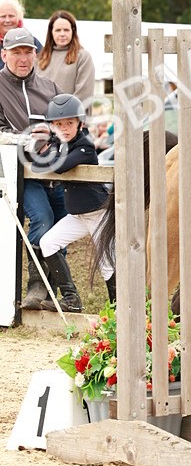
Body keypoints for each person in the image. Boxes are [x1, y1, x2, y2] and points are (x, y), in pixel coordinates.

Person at [0, 27, 81, 309]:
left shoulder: (51, 88)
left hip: (57, 175)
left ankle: (60, 297)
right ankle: (37, 286)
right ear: (4, 54)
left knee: (62, 227)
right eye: (16, 53)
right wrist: (27, 140)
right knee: (43, 220)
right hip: (23, 176)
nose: (22, 58)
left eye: (28, 52)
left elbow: (69, 124)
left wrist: (58, 138)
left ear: (36, 54)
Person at [31, 95, 114, 309]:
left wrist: (48, 155)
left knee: (107, 264)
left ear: (80, 123)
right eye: (59, 124)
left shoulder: (85, 145)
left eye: (70, 123)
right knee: (48, 242)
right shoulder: (58, 143)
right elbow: (36, 165)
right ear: (52, 126)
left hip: (97, 212)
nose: (65, 128)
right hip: (77, 215)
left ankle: (119, 307)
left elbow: (58, 167)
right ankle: (72, 300)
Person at [36, 11, 96, 113]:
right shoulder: (40, 58)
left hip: (72, 122)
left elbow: (83, 95)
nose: (62, 34)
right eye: (58, 30)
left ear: (73, 31)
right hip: (44, 122)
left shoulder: (82, 57)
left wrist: (60, 115)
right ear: (51, 32)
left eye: (66, 30)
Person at [0, 0, 42, 70]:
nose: (7, 20)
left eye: (11, 16)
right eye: (3, 16)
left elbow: (44, 64)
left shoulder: (32, 41)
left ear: (19, 17)